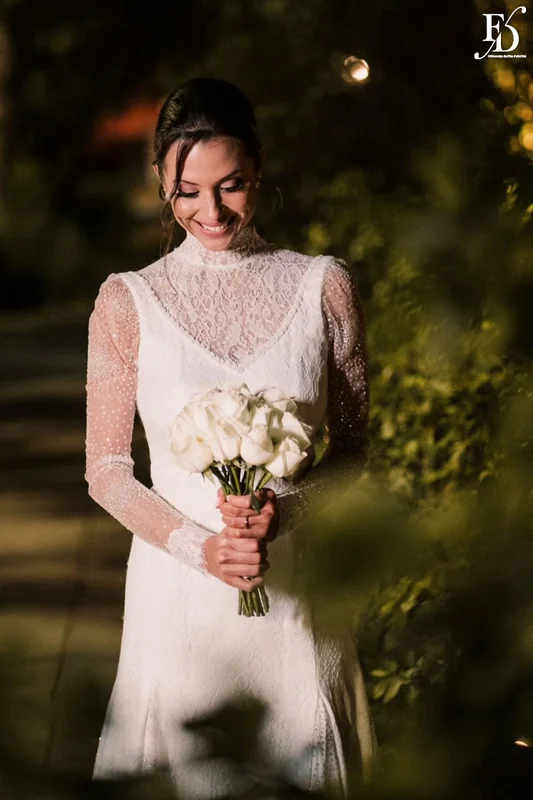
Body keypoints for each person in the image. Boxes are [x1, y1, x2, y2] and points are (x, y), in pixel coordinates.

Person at [85, 77, 377, 798]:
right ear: (161, 180)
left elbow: (353, 450)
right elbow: (108, 470)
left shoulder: (323, 286)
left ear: (260, 170)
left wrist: (290, 513)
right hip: (177, 591)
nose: (210, 210)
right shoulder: (126, 301)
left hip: (297, 593)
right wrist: (201, 548)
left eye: (232, 184)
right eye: (187, 191)